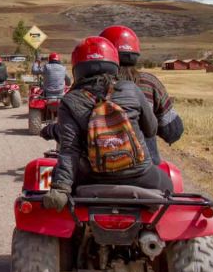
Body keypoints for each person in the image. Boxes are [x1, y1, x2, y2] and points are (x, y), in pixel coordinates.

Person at [40, 36, 171, 212]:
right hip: (140, 175)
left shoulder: (70, 100)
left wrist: (61, 188)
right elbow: (151, 129)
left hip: (91, 178)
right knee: (171, 187)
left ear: (78, 68)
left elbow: (69, 150)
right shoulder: (131, 89)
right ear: (113, 63)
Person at [100, 25, 184, 164]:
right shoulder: (148, 82)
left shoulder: (87, 86)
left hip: (94, 171)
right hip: (145, 169)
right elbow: (172, 131)